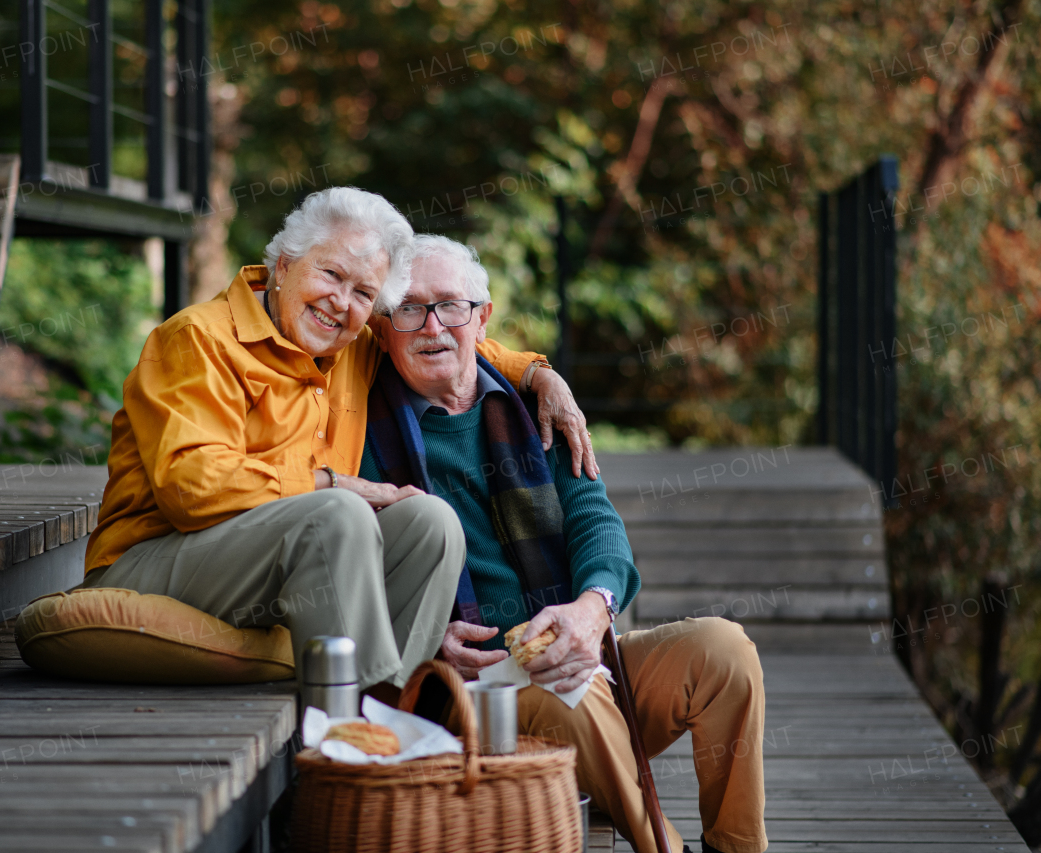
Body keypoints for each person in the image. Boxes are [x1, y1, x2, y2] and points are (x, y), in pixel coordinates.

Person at [81, 187, 595, 693]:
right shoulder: (196, 340)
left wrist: (538, 375)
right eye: (330, 274)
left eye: (364, 294)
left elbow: (445, 338)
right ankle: (350, 738)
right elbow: (189, 488)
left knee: (431, 520)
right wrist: (334, 483)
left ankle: (393, 704)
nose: (341, 303)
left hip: (284, 567)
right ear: (284, 265)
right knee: (338, 511)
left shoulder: (351, 343)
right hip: (156, 560)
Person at [358, 234, 768, 853]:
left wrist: (591, 609)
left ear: (482, 318)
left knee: (723, 650)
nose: (431, 326)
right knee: (571, 699)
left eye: (450, 306)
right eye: (408, 309)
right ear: (385, 327)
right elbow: (355, 569)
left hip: (575, 650)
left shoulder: (535, 411)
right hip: (472, 693)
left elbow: (596, 522)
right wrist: (420, 638)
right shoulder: (364, 430)